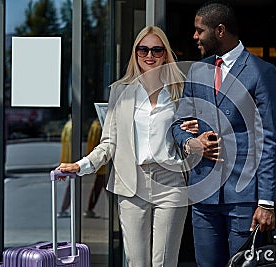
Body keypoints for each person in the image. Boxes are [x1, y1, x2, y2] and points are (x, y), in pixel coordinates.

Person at [57, 25, 195, 267]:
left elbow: (189, 135)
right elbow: (108, 142)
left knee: (165, 261)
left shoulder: (180, 89)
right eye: (143, 50)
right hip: (132, 183)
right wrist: (81, 166)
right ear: (135, 53)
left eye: (156, 50)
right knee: (136, 261)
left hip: (171, 181)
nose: (149, 56)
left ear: (165, 54)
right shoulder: (120, 91)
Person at [172, 1, 276, 266]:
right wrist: (191, 142)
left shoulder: (262, 72)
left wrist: (266, 202)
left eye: (200, 30)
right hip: (204, 194)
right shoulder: (197, 70)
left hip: (243, 198)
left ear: (219, 30)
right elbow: (178, 125)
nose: (194, 36)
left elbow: (269, 139)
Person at [83, 118, 107, 218]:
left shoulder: (95, 126)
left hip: (101, 162)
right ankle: (90, 208)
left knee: (101, 186)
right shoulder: (98, 127)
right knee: (101, 186)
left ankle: (90, 208)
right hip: (102, 162)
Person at [57, 117, 72, 218]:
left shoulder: (68, 126)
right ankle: (63, 208)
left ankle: (63, 208)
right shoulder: (72, 127)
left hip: (69, 160)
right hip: (74, 161)